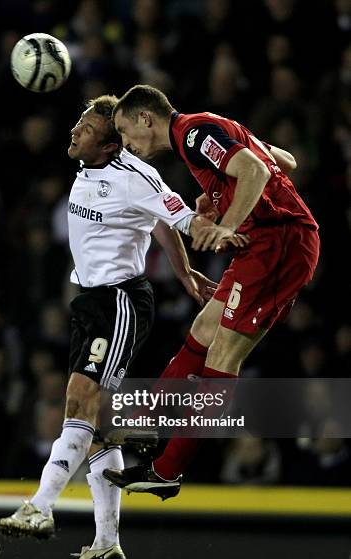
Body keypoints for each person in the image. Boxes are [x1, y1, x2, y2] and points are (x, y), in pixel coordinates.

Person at [0, 95, 225, 559]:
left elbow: (179, 217)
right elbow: (157, 224)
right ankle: (106, 543)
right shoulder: (85, 168)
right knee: (97, 424)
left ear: (112, 140)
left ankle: (40, 506)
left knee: (80, 400)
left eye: (86, 126)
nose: (75, 130)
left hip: (120, 303)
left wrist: (214, 233)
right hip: (89, 305)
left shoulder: (135, 176)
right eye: (79, 121)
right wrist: (184, 273)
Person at [103, 84, 320, 499]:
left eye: (125, 130)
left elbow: (255, 172)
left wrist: (228, 223)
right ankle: (148, 420)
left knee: (223, 355)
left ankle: (167, 470)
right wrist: (220, 195)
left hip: (278, 244)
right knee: (204, 329)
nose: (126, 143)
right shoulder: (207, 132)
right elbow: (282, 161)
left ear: (146, 118)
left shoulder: (193, 134)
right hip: (267, 242)